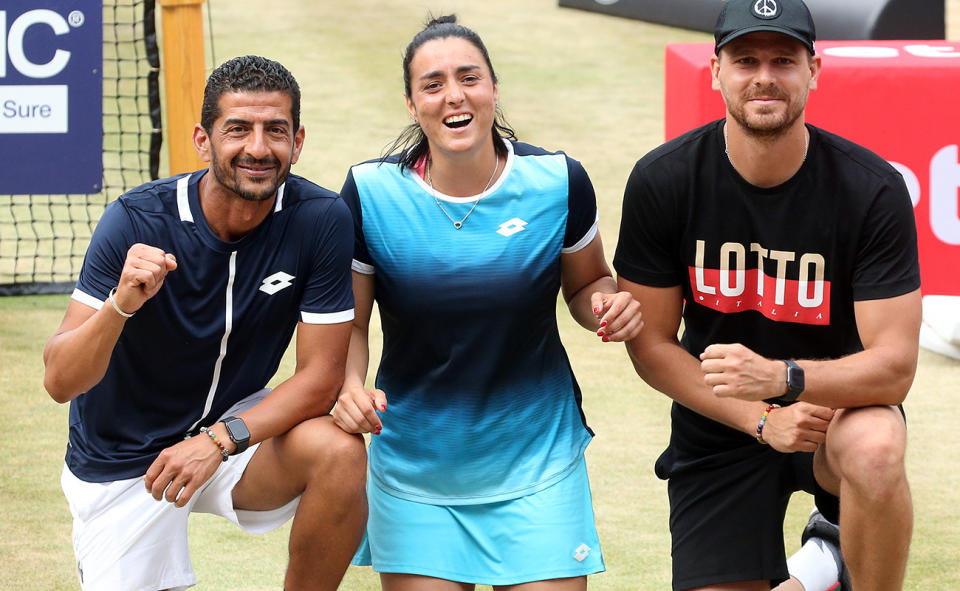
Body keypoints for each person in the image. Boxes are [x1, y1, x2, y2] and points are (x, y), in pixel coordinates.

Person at [612, 0, 921, 590]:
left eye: (784, 60)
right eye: (745, 59)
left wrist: (783, 379)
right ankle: (824, 558)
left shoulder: (872, 188)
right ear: (715, 70)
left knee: (876, 445)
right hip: (721, 426)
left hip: (836, 413)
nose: (764, 77)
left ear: (814, 70)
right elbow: (651, 345)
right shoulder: (665, 179)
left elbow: (894, 370)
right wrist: (760, 419)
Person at [331, 15, 643, 591]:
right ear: (411, 102)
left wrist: (608, 304)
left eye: (469, 77)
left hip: (537, 463)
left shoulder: (557, 181)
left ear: (494, 89)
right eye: (433, 83)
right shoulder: (369, 193)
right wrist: (351, 385)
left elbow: (586, 283)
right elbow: (350, 321)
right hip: (415, 471)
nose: (454, 95)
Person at [42, 55, 366, 591]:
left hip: (232, 434)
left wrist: (217, 441)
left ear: (298, 140)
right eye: (237, 129)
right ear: (203, 139)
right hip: (122, 457)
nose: (258, 149)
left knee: (339, 450)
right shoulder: (135, 219)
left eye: (275, 131)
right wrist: (120, 305)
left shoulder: (320, 218)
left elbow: (321, 377)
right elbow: (59, 381)